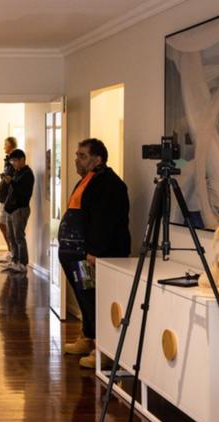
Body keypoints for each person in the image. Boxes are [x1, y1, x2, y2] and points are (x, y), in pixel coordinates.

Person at [60, 138, 130, 369]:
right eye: (77, 155)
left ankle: (103, 347)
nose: (76, 160)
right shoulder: (88, 181)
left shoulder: (108, 184)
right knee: (84, 297)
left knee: (94, 298)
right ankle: (88, 337)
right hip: (75, 255)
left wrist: (94, 251)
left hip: (89, 256)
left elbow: (104, 221)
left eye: (82, 155)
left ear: (97, 159)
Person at [2, 149, 34, 273]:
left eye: (15, 160)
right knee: (11, 236)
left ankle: (22, 263)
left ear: (22, 160)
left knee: (19, 236)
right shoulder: (17, 172)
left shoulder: (27, 173)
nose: (13, 163)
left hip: (20, 208)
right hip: (11, 209)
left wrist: (12, 182)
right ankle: (14, 260)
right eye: (12, 161)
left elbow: (23, 193)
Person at [0, 137, 16, 263]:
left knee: (4, 225)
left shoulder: (12, 162)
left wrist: (6, 178)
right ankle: (10, 251)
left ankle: (12, 251)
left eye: (5, 144)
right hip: (4, 198)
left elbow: (11, 178)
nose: (4, 147)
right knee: (4, 225)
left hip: (8, 199)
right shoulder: (7, 161)